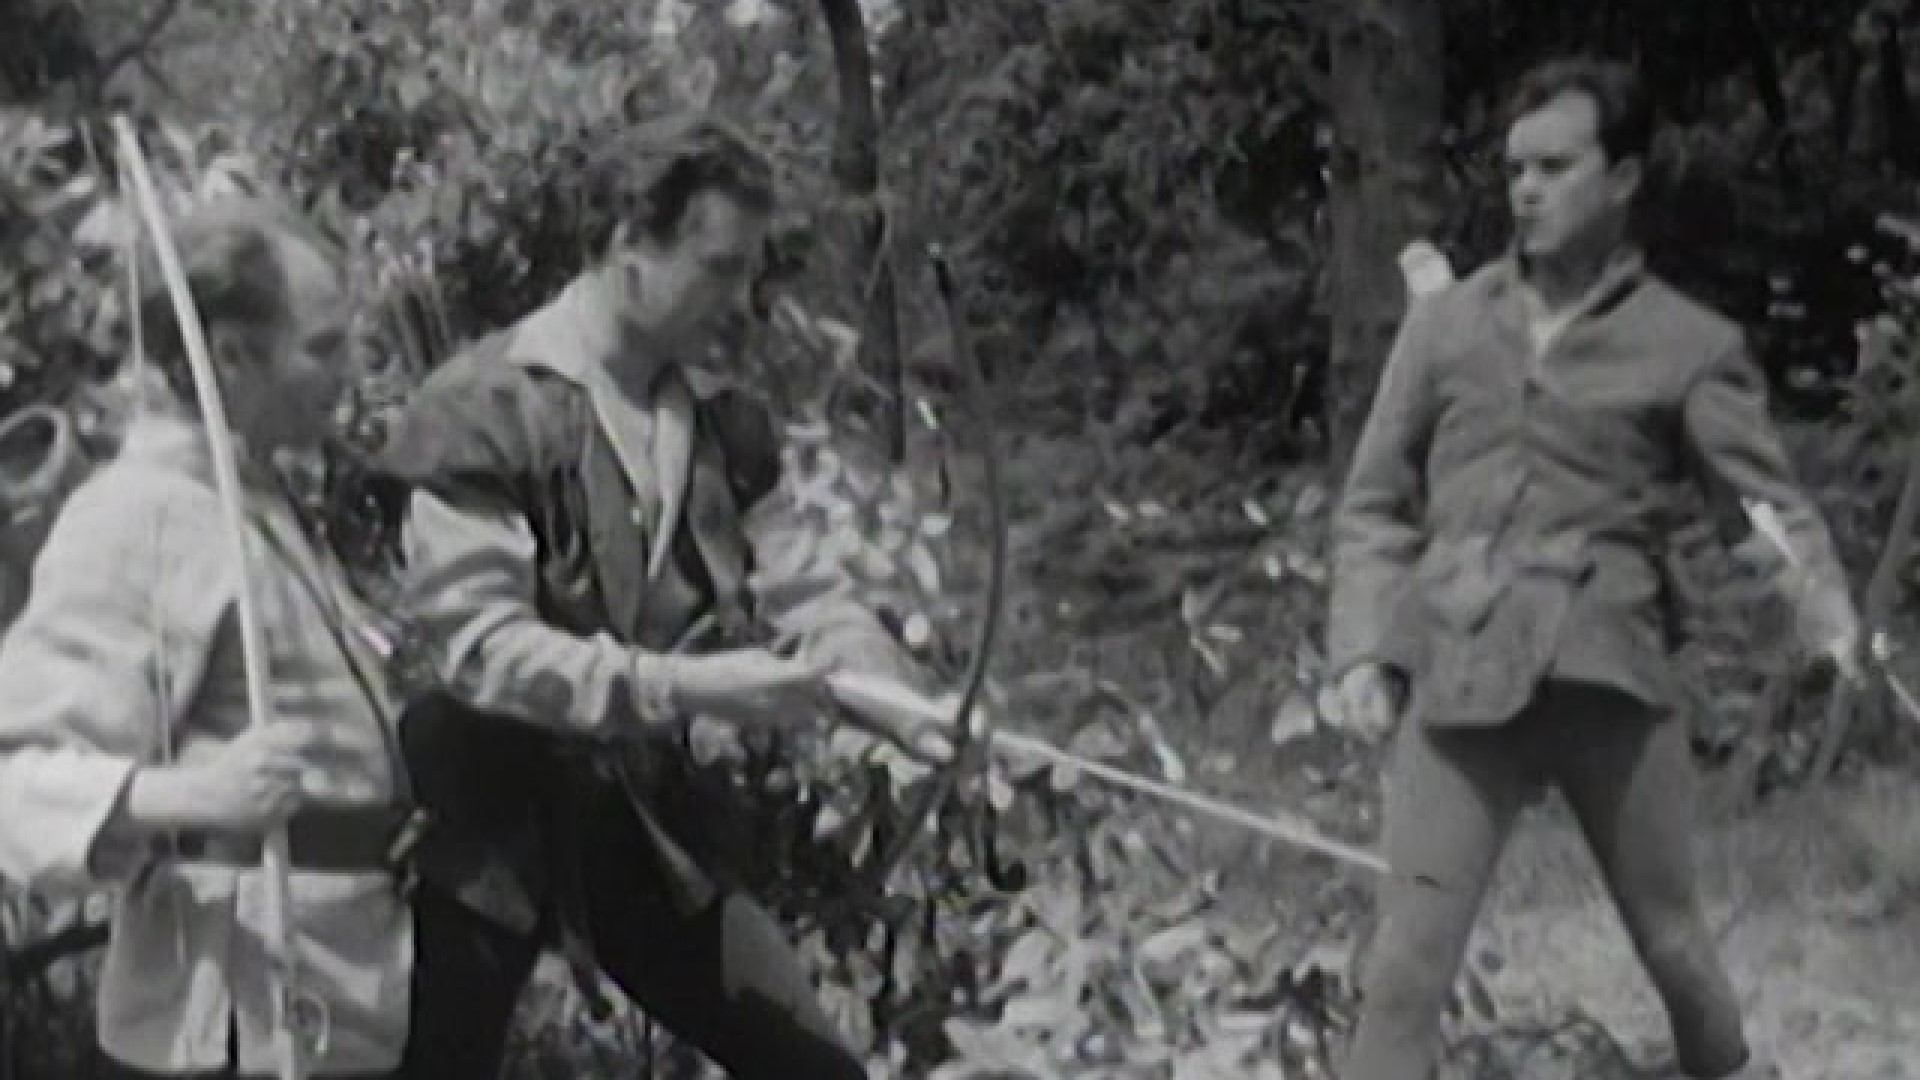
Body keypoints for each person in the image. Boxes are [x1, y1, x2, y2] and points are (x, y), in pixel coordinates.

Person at [371, 119, 946, 1080]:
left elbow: (807, 590)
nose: (743, 300)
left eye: (750, 271)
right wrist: (695, 687)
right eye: (719, 268)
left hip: (642, 830)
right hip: (477, 834)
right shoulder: (481, 410)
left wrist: (893, 695)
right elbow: (482, 653)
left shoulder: (724, 421)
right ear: (628, 243)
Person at [1327, 57, 1859, 1080]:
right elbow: (1375, 503)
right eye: (1515, 169)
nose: (1527, 190)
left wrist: (1824, 610)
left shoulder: (1689, 344)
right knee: (1405, 968)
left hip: (1611, 678)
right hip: (1462, 674)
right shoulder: (1446, 325)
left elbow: (1760, 510)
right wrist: (1362, 650)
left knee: (1675, 949)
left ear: (1621, 179)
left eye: (1555, 167)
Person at [0, 196, 419, 1079]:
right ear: (228, 355)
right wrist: (194, 795)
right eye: (322, 348)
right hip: (230, 1014)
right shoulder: (140, 513)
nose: (349, 371)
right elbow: (19, 773)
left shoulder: (248, 497)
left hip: (329, 990)